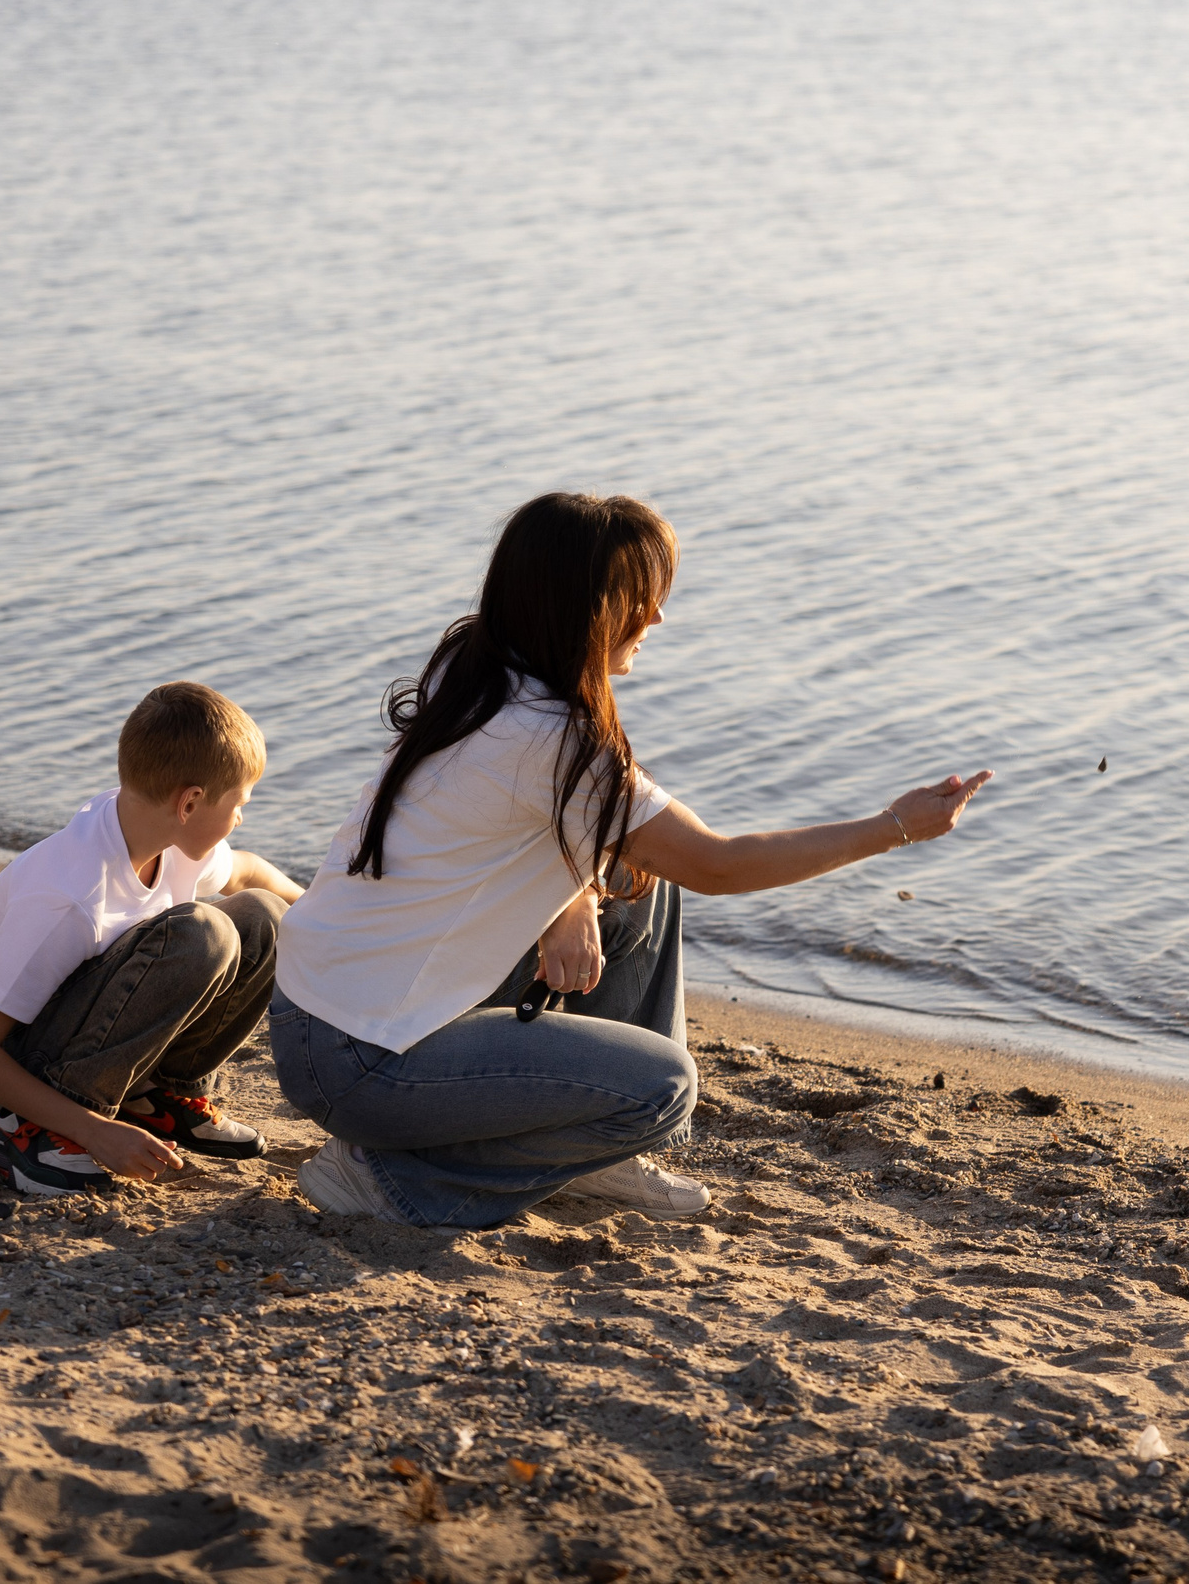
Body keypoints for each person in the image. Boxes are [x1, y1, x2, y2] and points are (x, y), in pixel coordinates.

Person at [269, 492, 991, 1230]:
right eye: (640, 598)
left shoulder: (478, 661)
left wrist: (572, 898)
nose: (657, 617)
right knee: (663, 1086)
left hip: (315, 1015)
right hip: (362, 1061)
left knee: (635, 883)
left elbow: (518, 823)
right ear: (583, 607)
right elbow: (718, 864)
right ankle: (391, 1179)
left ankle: (597, 1152)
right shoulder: (557, 742)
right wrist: (893, 825)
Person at [0, 682, 309, 1197]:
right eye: (240, 803)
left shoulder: (166, 834)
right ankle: (36, 1134)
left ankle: (155, 1098)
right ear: (191, 802)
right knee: (202, 934)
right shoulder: (69, 898)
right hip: (21, 1058)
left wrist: (331, 917)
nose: (241, 817)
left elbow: (250, 876)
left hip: (93, 1024)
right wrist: (94, 1132)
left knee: (264, 917)